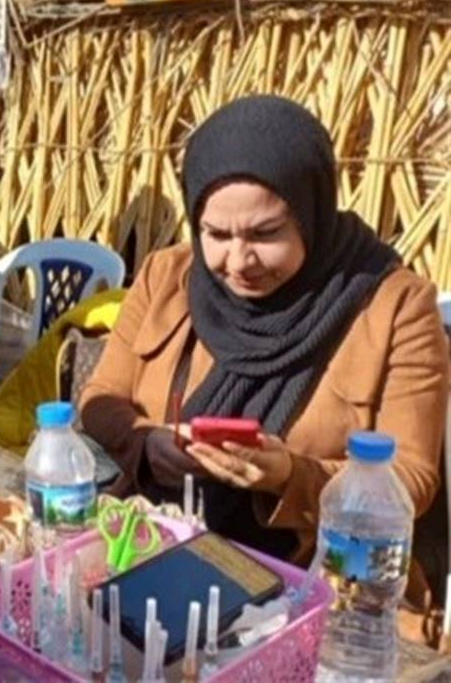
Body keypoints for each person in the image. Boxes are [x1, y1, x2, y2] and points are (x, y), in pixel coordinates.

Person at [80, 95, 449, 569]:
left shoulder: (395, 307)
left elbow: (411, 480)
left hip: (315, 575)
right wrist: (147, 444)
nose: (238, 262)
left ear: (311, 213)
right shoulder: (166, 277)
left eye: (265, 233)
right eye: (216, 234)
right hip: (152, 547)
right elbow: (102, 397)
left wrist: (291, 476)